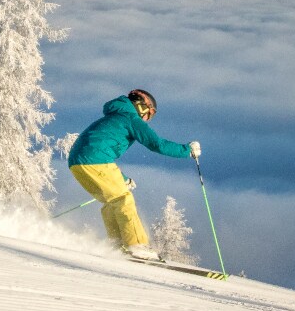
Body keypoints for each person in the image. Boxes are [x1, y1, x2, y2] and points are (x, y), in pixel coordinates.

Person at [66, 88, 201, 260]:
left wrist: (123, 179)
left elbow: (102, 146)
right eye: (149, 114)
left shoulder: (115, 116)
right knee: (123, 199)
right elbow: (157, 144)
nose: (147, 119)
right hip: (95, 159)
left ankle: (117, 245)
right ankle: (136, 245)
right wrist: (187, 150)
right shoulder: (131, 118)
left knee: (111, 202)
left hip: (77, 163)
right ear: (142, 106)